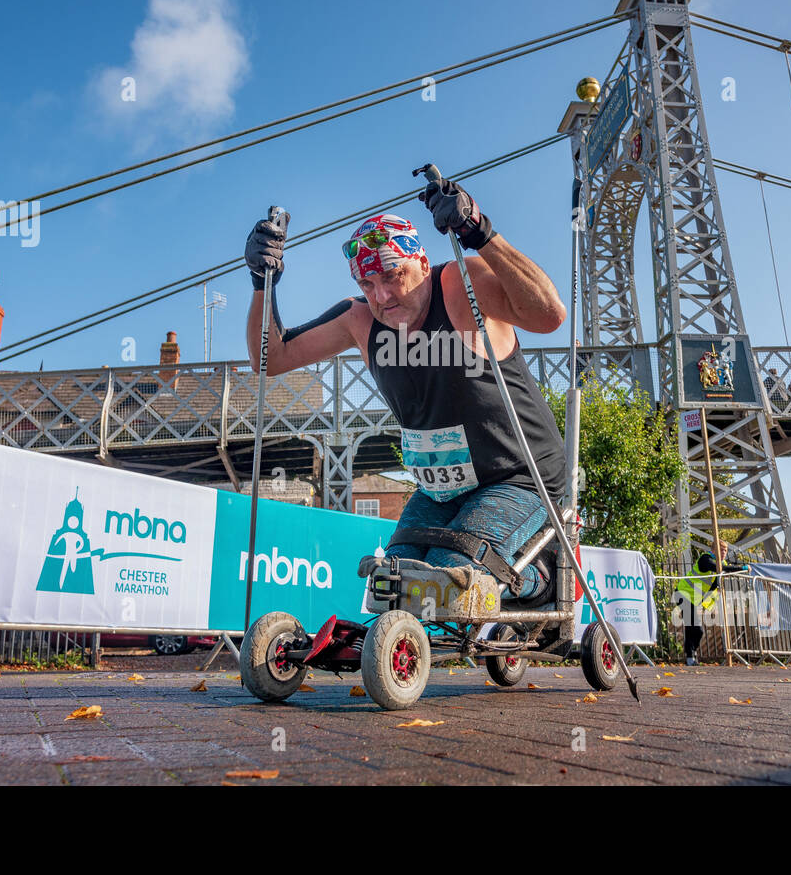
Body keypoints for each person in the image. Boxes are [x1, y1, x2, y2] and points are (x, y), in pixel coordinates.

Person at [242, 177, 568, 604]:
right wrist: (260, 281)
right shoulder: (359, 319)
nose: (382, 296)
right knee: (390, 586)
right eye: (368, 285)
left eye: (392, 276)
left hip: (518, 476)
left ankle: (538, 582)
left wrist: (479, 230)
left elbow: (549, 315)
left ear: (421, 261)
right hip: (441, 487)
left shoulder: (460, 284)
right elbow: (271, 358)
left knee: (448, 579)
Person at [672, 540, 745, 666]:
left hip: (693, 599)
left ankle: (690, 656)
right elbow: (721, 568)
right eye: (721, 550)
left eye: (725, 550)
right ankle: (690, 656)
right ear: (713, 550)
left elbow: (715, 581)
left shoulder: (722, 564)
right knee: (697, 629)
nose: (723, 553)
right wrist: (742, 568)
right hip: (682, 594)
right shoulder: (705, 560)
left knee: (692, 629)